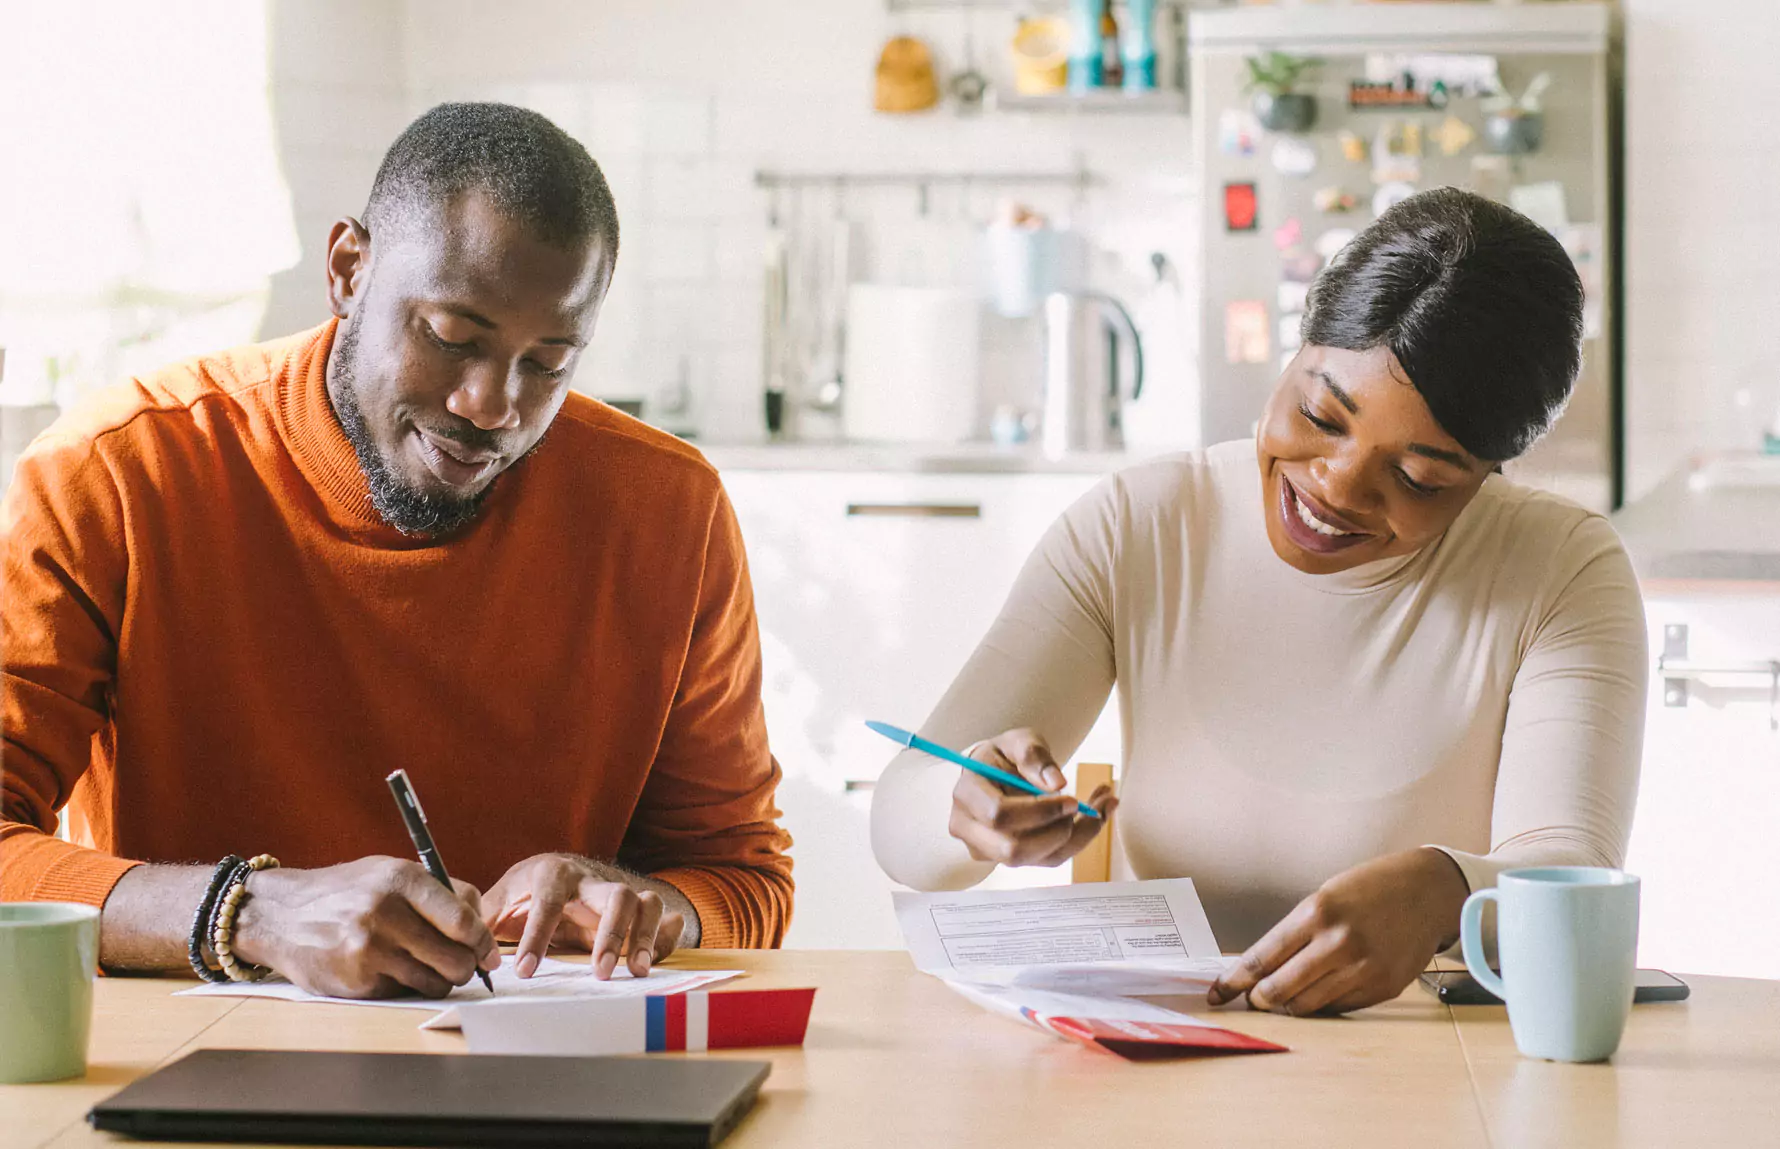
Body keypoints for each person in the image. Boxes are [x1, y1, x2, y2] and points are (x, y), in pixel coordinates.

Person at [0, 103, 792, 999]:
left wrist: (643, 904)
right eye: (453, 338)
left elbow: (743, 879)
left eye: (549, 363)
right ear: (348, 269)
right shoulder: (114, 472)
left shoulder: (668, 508)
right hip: (198, 1069)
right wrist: (253, 914)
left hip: (538, 1070)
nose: (492, 405)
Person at [871, 188, 1646, 1017]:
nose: (1335, 485)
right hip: (1158, 1066)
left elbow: (1572, 872)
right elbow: (899, 823)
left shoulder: (1560, 570)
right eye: (1320, 413)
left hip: (1427, 1075)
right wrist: (965, 809)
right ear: (1298, 345)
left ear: (1490, 473)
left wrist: (1447, 891)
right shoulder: (1144, 523)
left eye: (1418, 477)